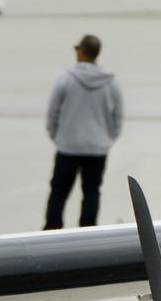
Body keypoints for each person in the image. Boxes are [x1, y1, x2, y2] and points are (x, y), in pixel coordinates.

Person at [44, 34, 124, 229]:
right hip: (97, 148)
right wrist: (108, 138)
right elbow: (118, 115)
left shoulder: (65, 78)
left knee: (59, 191)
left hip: (68, 146)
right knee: (91, 191)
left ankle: (52, 229)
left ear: (81, 51)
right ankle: (88, 229)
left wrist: (58, 137)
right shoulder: (110, 82)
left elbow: (52, 113)